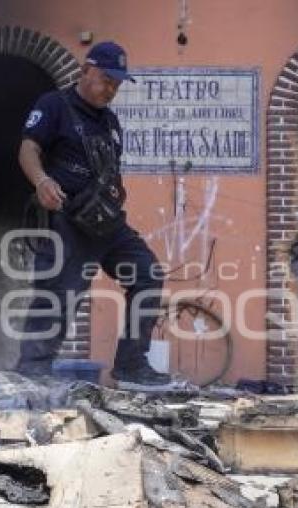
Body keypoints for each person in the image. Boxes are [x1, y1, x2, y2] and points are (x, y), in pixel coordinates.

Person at [15, 41, 173, 389]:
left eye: (117, 84)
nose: (111, 89)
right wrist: (42, 180)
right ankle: (32, 372)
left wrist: (117, 195)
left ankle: (131, 366)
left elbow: (110, 172)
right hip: (66, 223)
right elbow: (28, 148)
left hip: (108, 223)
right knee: (57, 293)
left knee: (147, 274)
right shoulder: (54, 105)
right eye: (105, 80)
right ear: (86, 70)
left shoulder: (111, 122)